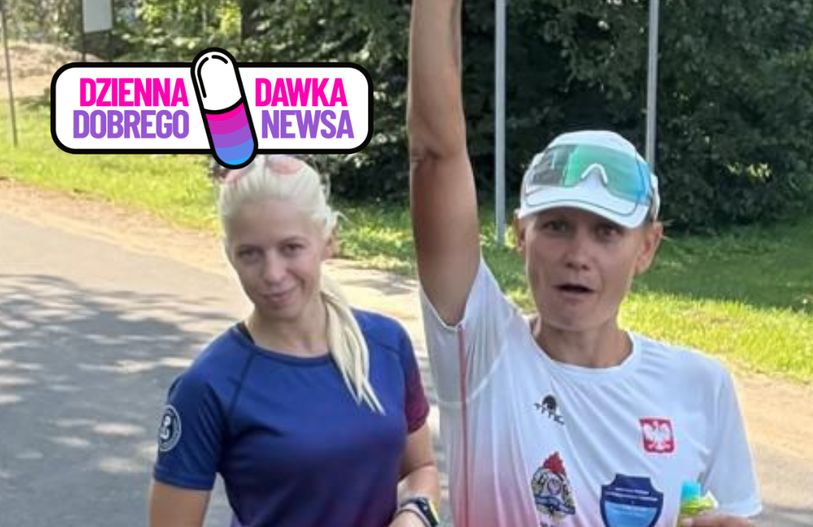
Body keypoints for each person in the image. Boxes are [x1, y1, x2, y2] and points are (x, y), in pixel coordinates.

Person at [407, 2, 761, 526]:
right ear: (521, 236)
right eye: (556, 226)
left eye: (606, 232)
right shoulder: (480, 352)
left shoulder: (700, 387)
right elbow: (435, 154)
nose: (578, 255)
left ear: (647, 247)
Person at [148, 155, 440, 527]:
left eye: (291, 248)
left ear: (328, 241)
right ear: (229, 255)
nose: (272, 273)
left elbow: (422, 469)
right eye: (250, 253)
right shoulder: (208, 385)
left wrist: (415, 515)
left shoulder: (386, 345)